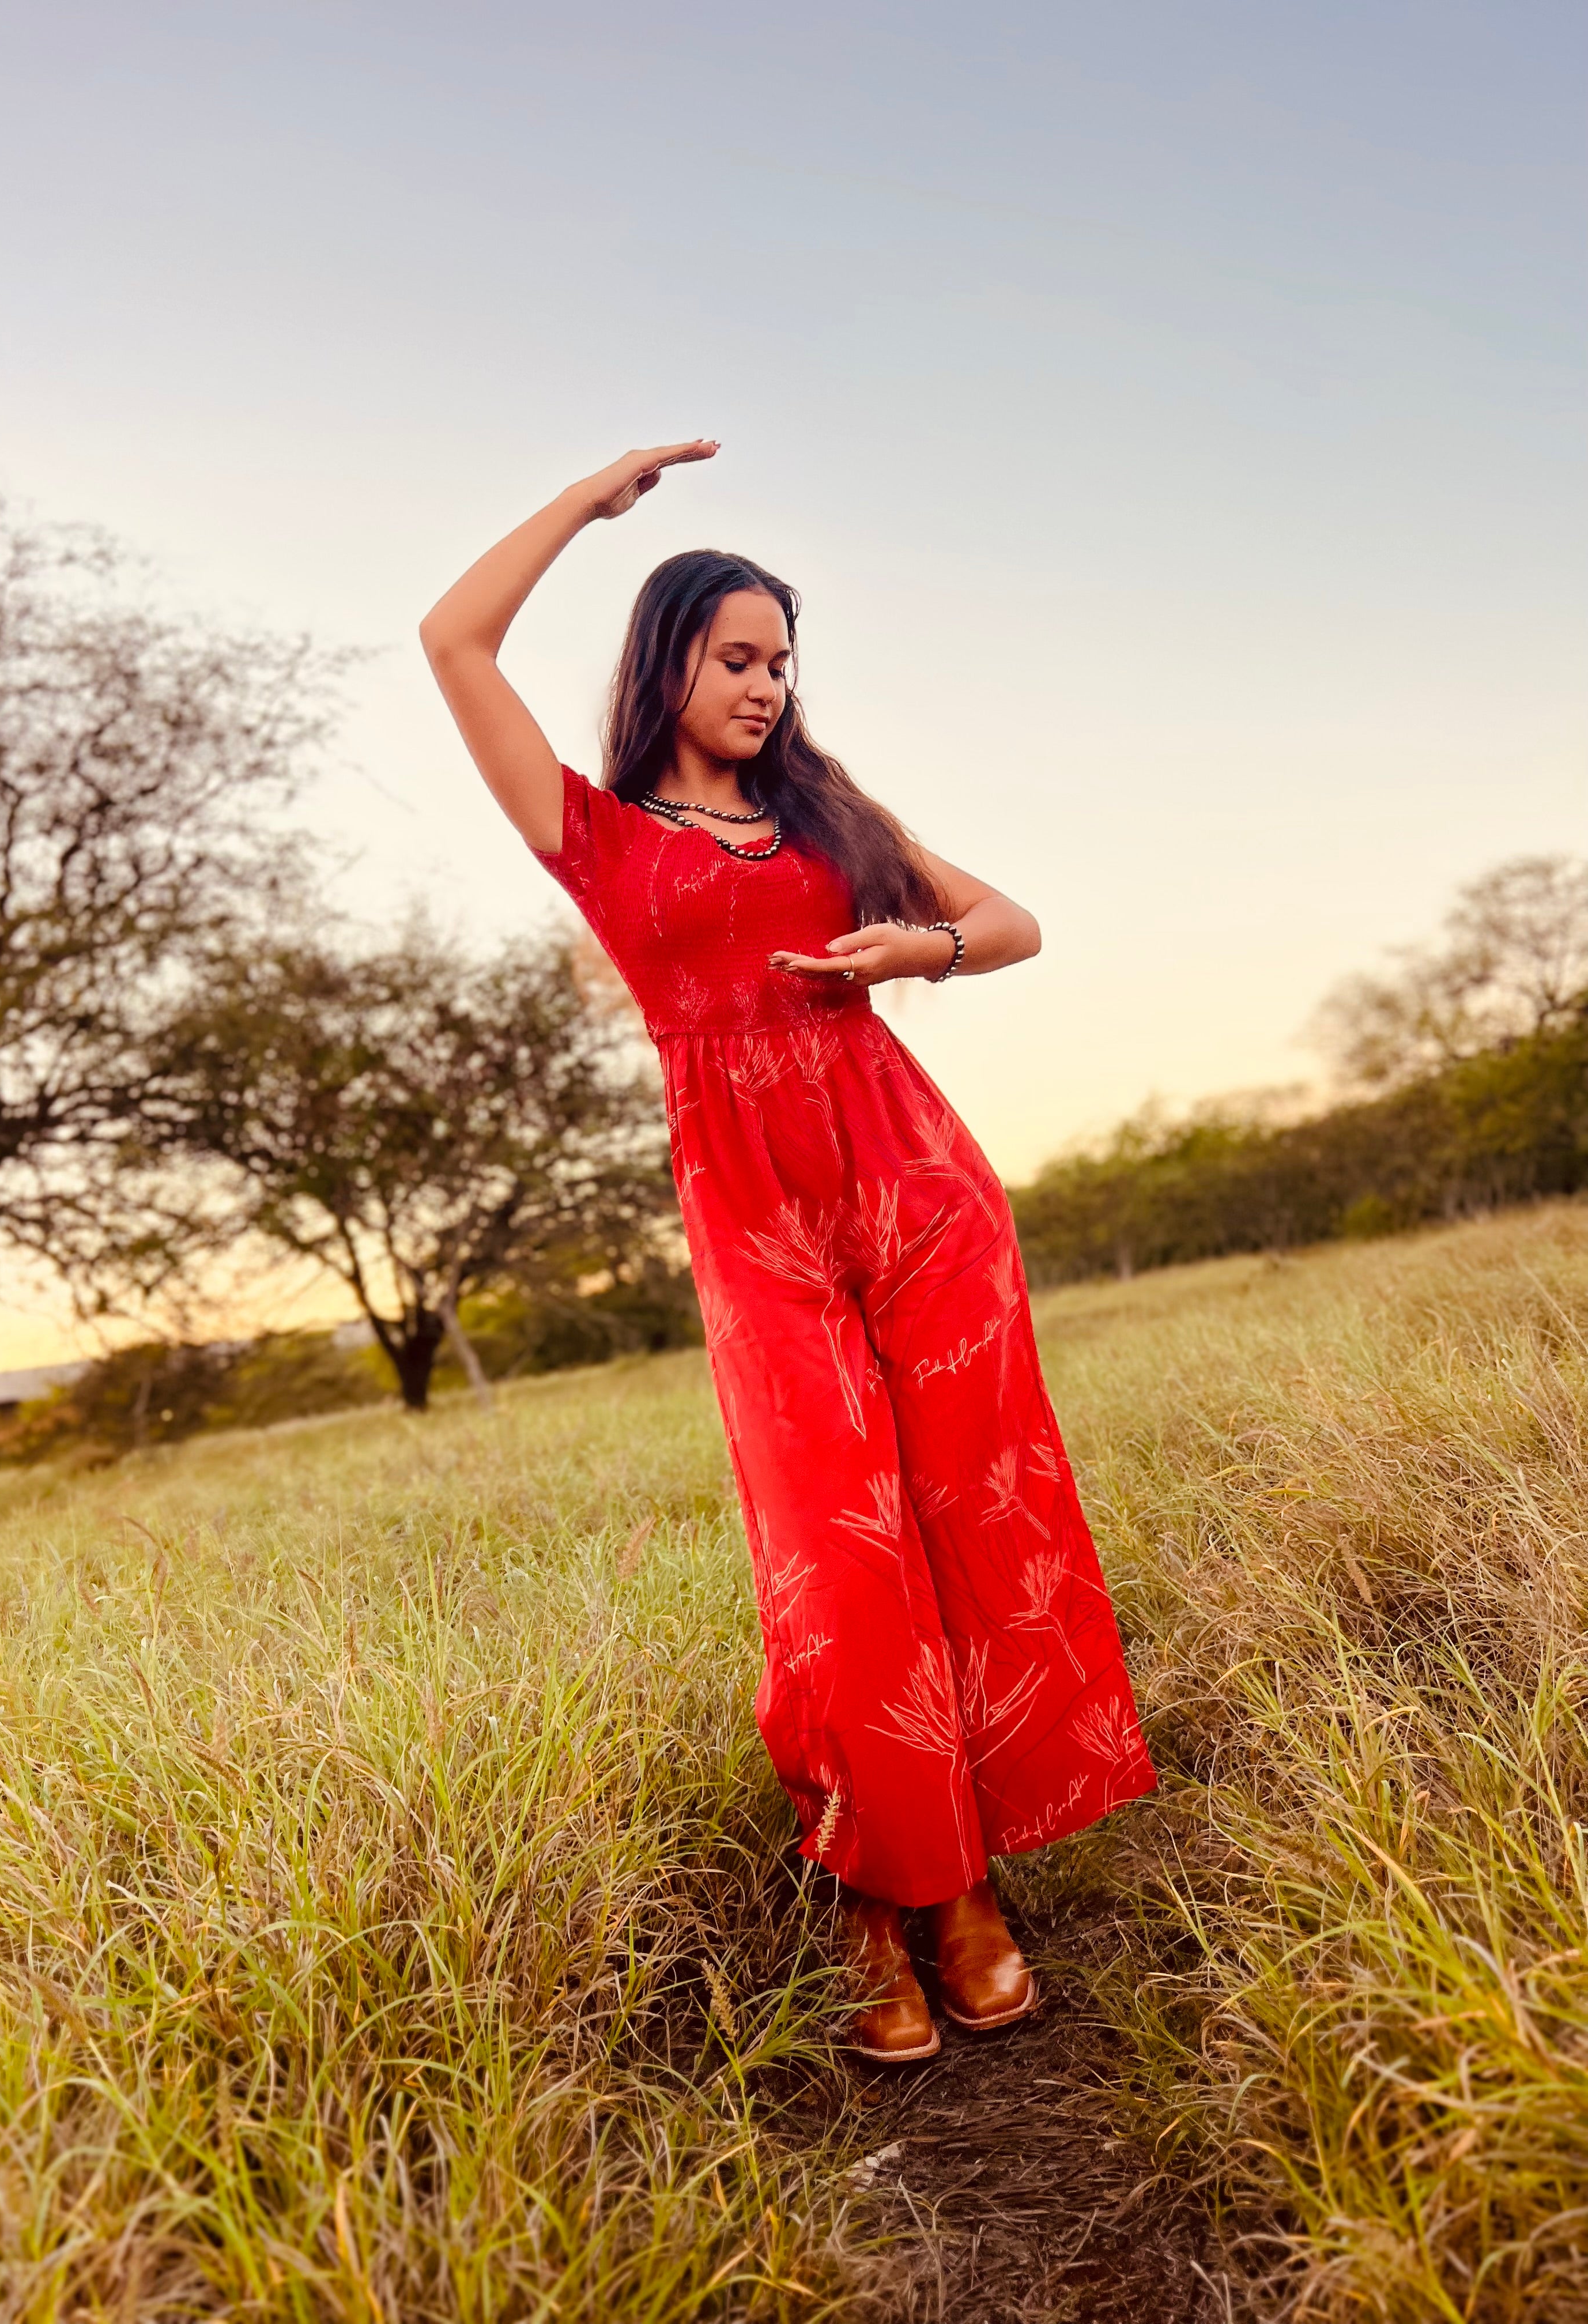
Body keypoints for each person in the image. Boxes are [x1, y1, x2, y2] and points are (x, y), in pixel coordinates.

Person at [420, 442, 1155, 2062]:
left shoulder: (830, 813)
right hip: (756, 1218)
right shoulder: (594, 837)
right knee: (838, 1556)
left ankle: (968, 1894)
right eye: (737, 656)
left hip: (918, 1184)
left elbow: (1014, 919)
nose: (766, 685)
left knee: (974, 1519)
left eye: (781, 662)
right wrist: (589, 501)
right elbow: (451, 642)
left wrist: (925, 948)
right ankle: (878, 1894)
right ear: (670, 658)